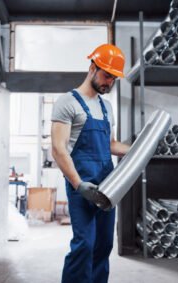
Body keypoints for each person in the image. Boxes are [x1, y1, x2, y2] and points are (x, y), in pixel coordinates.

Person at [51, 43, 130, 283]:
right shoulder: (67, 102)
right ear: (92, 68)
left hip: (108, 186)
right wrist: (78, 184)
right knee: (84, 244)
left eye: (114, 79)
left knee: (104, 245)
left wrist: (137, 151)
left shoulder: (106, 107)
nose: (109, 83)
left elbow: (110, 144)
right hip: (82, 185)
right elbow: (58, 148)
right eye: (107, 75)